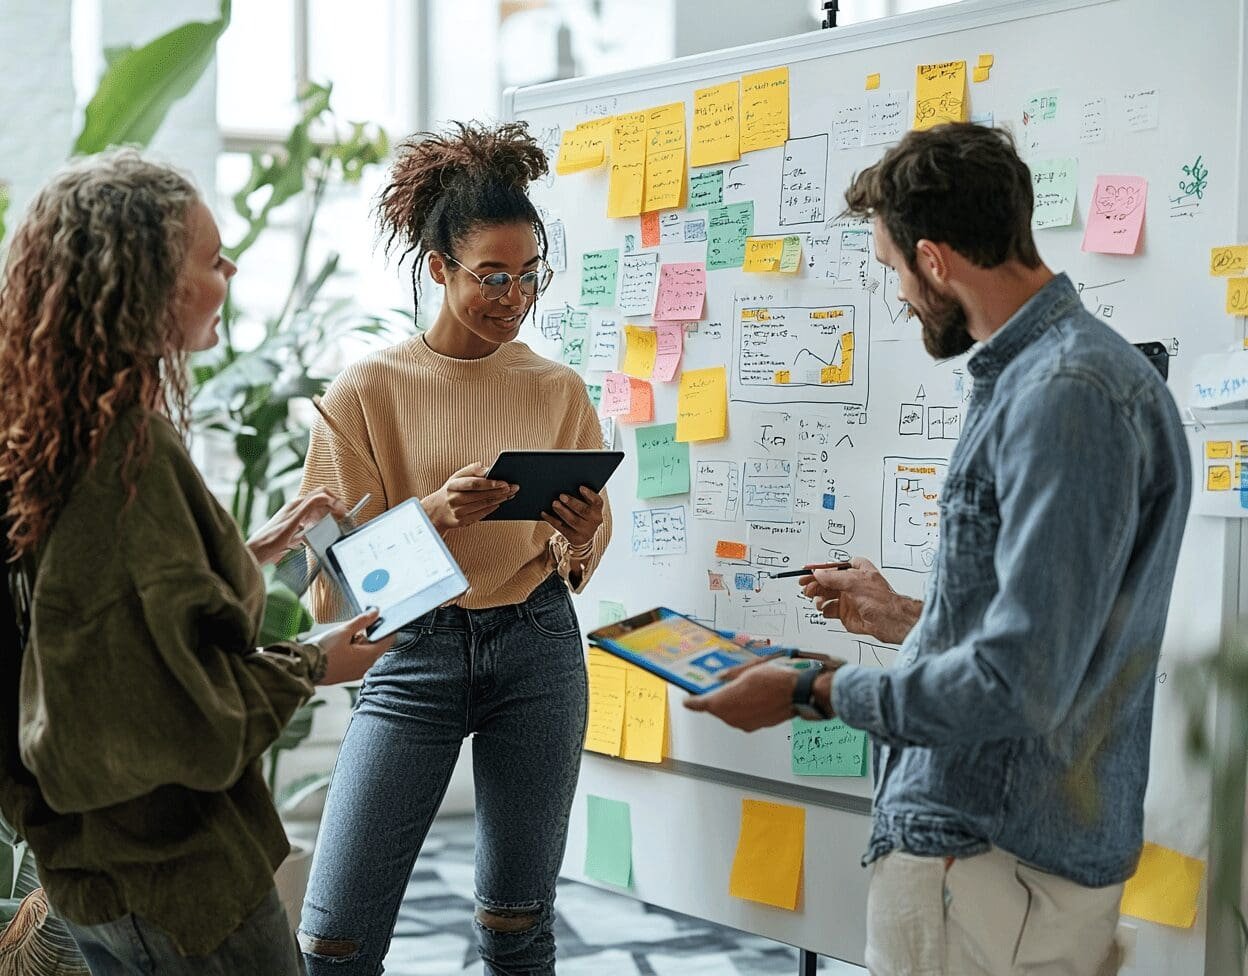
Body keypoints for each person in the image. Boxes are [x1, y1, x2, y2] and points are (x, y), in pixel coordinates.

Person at [685, 123, 1191, 976]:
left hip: (989, 854)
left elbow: (1018, 682)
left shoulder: (1062, 395)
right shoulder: (1067, 376)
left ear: (934, 259)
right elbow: (1053, 634)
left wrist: (815, 689)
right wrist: (899, 618)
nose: (901, 297)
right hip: (1013, 849)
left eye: (892, 271)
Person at [0, 150, 392, 976]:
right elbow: (182, 715)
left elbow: (106, 624)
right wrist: (313, 662)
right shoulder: (128, 455)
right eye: (213, 260)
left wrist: (261, 547)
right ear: (152, 286)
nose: (234, 270)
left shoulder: (47, 435)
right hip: (177, 876)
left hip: (89, 866)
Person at [295, 121, 611, 975]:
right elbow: (327, 574)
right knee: (332, 941)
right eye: (492, 277)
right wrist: (429, 515)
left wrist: (583, 535)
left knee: (517, 930)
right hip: (412, 652)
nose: (514, 297)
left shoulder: (556, 387)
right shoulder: (366, 391)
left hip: (537, 644)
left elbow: (584, 541)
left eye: (529, 276)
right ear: (440, 268)